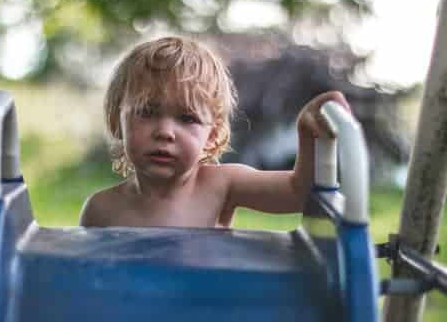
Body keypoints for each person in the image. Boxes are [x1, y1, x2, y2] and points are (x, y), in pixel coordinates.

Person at [79, 36, 350, 228]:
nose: (165, 132)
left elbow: (299, 192)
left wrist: (307, 132)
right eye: (146, 112)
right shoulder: (101, 210)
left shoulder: (221, 186)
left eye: (187, 118)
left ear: (212, 135)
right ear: (117, 122)